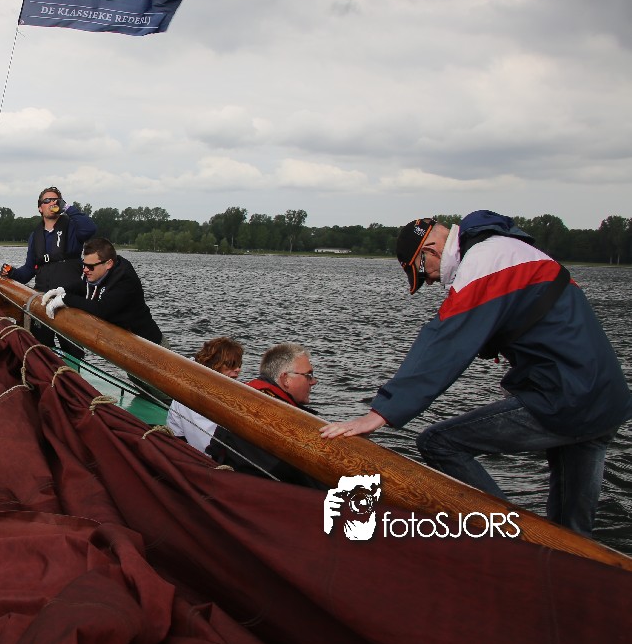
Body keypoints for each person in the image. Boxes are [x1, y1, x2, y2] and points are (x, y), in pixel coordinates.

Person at [321, 211, 632, 536]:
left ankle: (514, 537)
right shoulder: (508, 249)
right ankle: (565, 562)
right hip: (604, 398)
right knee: (572, 534)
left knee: (438, 443)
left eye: (423, 272)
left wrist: (380, 413)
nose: (430, 281)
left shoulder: (485, 260)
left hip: (569, 398)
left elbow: (445, 342)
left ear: (430, 250)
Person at [207, 342, 323, 488]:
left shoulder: (245, 398)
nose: (314, 381)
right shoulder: (276, 417)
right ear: (286, 379)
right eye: (308, 375)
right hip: (256, 492)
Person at [4, 186, 96, 357]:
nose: (52, 203)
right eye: (47, 200)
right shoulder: (35, 236)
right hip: (43, 299)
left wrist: (67, 207)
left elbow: (90, 229)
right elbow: (28, 270)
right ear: (40, 207)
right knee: (40, 348)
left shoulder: (72, 227)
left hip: (68, 299)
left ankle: (72, 372)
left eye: (56, 200)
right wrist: (11, 273)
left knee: (73, 351)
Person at [41, 237, 162, 344]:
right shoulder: (98, 272)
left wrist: (65, 299)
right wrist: (61, 290)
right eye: (84, 265)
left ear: (108, 264)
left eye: (90, 266)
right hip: (124, 343)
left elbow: (102, 310)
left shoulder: (125, 280)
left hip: (151, 346)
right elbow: (84, 286)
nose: (85, 270)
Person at [165, 337, 245, 451]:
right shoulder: (196, 394)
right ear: (215, 364)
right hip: (197, 454)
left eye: (239, 364)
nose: (238, 369)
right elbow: (206, 445)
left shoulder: (199, 384)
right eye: (231, 364)